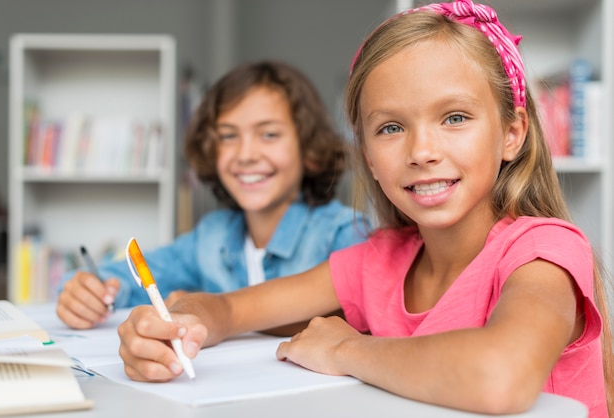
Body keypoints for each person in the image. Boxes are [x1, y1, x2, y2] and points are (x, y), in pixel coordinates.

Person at [116, 1, 613, 416]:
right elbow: (230, 309)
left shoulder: (544, 250)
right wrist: (180, 322)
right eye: (390, 128)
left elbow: (500, 376)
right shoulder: (378, 260)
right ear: (369, 158)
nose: (421, 150)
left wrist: (347, 349)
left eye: (454, 117)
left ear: (512, 133)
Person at [56, 60, 369, 330]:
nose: (246, 154)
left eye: (269, 134)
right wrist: (88, 289)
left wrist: (206, 309)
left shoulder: (344, 234)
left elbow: (355, 318)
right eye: (229, 136)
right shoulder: (211, 236)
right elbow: (135, 275)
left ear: (309, 148)